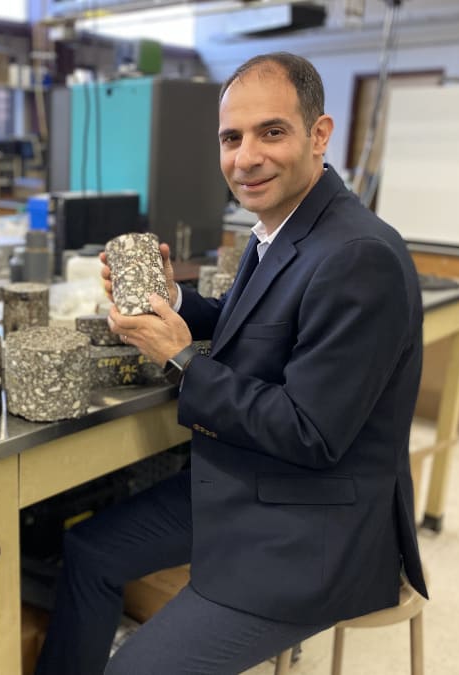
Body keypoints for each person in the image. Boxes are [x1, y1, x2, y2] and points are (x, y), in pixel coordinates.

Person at [34, 51, 427, 675]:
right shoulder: (282, 227)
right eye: (231, 138)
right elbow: (257, 321)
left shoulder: (358, 256)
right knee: (88, 549)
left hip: (307, 528)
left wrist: (180, 358)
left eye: (272, 132)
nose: (246, 157)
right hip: (246, 482)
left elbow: (310, 431)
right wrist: (175, 300)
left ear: (318, 134)